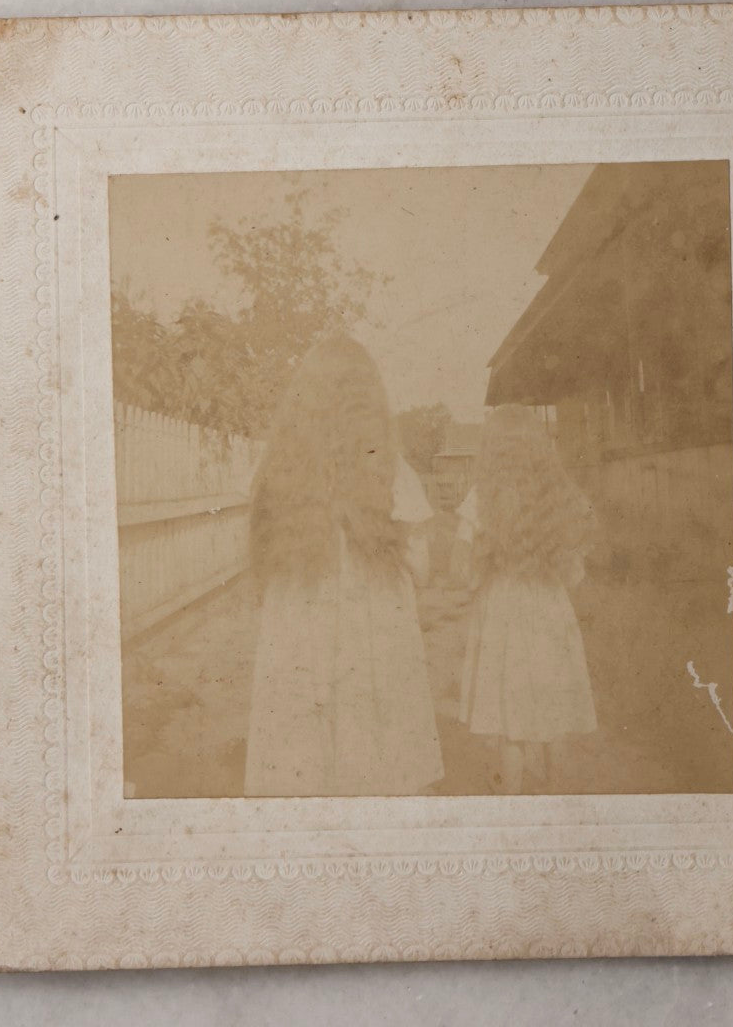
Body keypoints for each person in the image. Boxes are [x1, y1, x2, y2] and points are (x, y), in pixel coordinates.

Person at [244, 334, 443, 796]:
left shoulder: (275, 470)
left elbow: (262, 565)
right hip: (373, 634)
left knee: (300, 763)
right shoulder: (392, 471)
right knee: (375, 752)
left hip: (297, 632)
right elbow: (422, 569)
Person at [452, 404, 597, 793]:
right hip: (549, 606)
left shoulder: (481, 497)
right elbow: (576, 573)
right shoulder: (561, 496)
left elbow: (461, 571)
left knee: (509, 717)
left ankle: (510, 805)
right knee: (553, 714)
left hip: (502, 608)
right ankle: (559, 803)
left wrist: (481, 576)